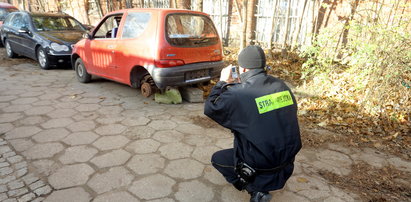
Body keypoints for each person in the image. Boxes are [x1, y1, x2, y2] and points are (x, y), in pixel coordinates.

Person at [204, 45, 302, 202]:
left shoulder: (239, 94)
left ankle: (255, 190)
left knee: (218, 159)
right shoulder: (282, 86)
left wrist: (222, 82)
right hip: (286, 161)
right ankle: (261, 183)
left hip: (261, 165)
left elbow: (210, 107)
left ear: (242, 70)